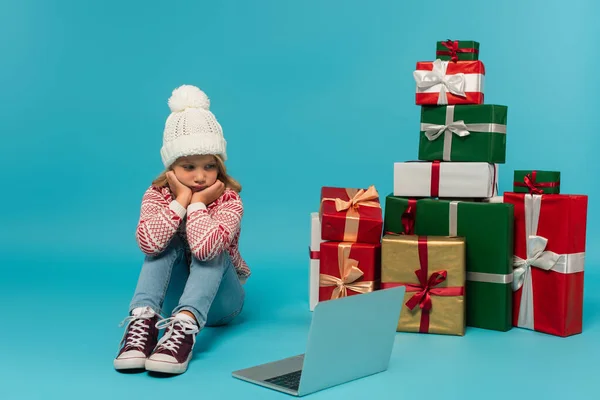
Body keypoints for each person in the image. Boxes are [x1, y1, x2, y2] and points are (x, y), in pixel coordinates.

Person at [113, 85, 250, 375]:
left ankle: (185, 328)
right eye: (189, 166)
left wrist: (198, 203)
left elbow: (205, 249)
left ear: (219, 167)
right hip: (171, 304)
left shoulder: (229, 199)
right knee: (164, 246)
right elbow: (148, 245)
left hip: (222, 304)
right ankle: (143, 322)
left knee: (212, 250)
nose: (200, 176)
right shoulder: (155, 194)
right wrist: (179, 203)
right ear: (171, 168)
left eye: (209, 166)